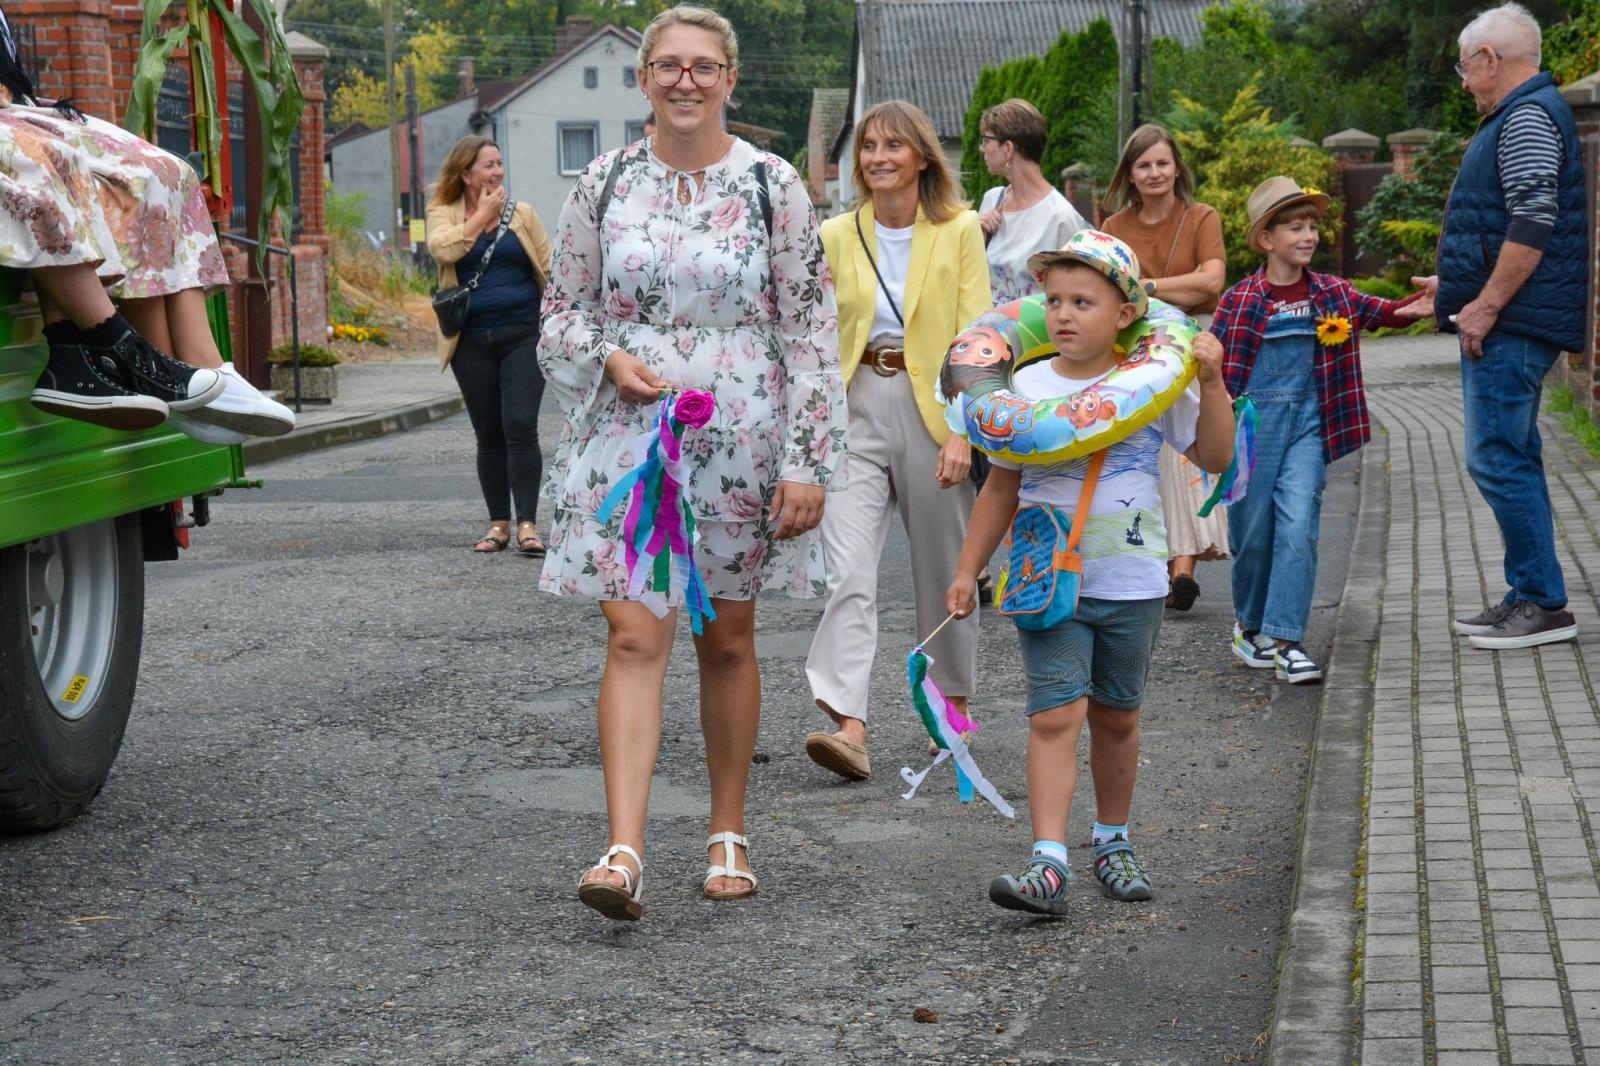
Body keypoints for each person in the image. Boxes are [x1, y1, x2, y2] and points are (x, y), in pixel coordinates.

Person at [537, 4, 845, 920]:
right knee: (636, 636)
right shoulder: (603, 182)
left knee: (729, 639)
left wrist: (808, 460)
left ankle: (727, 831)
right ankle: (623, 850)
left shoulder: (773, 185)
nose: (685, 80)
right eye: (668, 65)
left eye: (703, 66)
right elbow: (562, 311)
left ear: (730, 80)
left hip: (744, 441)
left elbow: (811, 330)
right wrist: (607, 357)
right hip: (630, 443)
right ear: (644, 79)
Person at [944, 231, 1237, 914]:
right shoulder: (1022, 389)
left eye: (1083, 301)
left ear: (1126, 313)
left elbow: (1216, 457)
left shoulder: (1154, 380)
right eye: (1054, 301)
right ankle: (1048, 861)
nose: (1064, 314)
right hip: (1046, 578)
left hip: (1132, 580)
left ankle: (1112, 839)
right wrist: (967, 570)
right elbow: (1000, 489)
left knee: (1117, 717)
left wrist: (1213, 380)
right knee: (1055, 715)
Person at [801, 100, 990, 783]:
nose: (879, 157)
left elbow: (977, 336)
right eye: (869, 147)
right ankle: (849, 724)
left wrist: (963, 430)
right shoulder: (835, 233)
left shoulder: (960, 229)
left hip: (935, 407)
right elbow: (815, 333)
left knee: (944, 569)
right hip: (855, 405)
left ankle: (952, 708)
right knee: (848, 569)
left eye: (893, 145)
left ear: (921, 157)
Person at [0, 9, 293, 442]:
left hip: (17, 105)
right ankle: (132, 355)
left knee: (166, 172)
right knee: (45, 161)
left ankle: (199, 364)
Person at [1212, 177, 1433, 683]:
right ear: (1266, 239)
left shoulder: (1332, 292)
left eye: (1311, 226)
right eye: (1295, 227)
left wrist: (1419, 307)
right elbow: (1214, 369)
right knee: (1253, 534)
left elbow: (1380, 312)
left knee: (1298, 527)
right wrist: (1210, 421)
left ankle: (1287, 641)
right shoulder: (1238, 300)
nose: (1308, 236)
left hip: (1308, 427)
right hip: (1253, 429)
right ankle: (1250, 627)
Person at [1416, 2, 1587, 651]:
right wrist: (1456, 289)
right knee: (1511, 455)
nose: (1464, 83)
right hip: (1513, 315)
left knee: (1495, 456)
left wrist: (1486, 305)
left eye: (1465, 68)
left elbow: (1533, 223)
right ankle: (1528, 593)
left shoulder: (1527, 117)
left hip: (1513, 324)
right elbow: (1507, 225)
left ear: (1489, 59)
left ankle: (1543, 602)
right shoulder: (1522, 115)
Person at [1101, 125, 1229, 612]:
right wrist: (1179, 285)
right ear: (1130, 174)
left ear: (1177, 167)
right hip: (1134, 347)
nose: (1154, 173)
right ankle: (1162, 565)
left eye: (1162, 163)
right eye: (1144, 165)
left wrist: (1147, 287)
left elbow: (1211, 281)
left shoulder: (1201, 216)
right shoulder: (1114, 227)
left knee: (1188, 451)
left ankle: (1182, 569)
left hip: (1192, 346)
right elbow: (1108, 288)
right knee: (1146, 453)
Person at [427, 136, 553, 555]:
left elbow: (550, 267)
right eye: (488, 165)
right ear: (466, 174)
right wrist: (480, 216)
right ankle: (498, 524)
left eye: (500, 163)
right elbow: (442, 250)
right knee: (489, 433)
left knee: (520, 425)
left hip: (523, 334)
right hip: (470, 341)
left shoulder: (523, 214)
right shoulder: (442, 213)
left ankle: (528, 524)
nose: (498, 172)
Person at [974, 98, 1087, 304]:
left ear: (1008, 149)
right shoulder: (992, 199)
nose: (982, 148)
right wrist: (974, 235)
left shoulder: (1061, 218)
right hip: (983, 323)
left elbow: (1078, 291)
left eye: (986, 140)